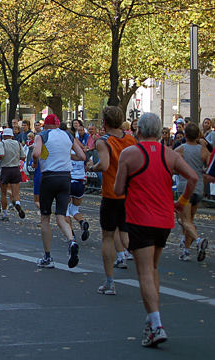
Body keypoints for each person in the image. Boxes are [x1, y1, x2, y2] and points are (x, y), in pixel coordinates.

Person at [114, 112, 197, 347]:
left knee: (145, 273)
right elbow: (192, 177)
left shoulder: (130, 154)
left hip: (140, 219)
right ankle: (153, 318)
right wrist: (181, 203)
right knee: (153, 268)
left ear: (139, 130)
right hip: (164, 221)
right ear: (160, 130)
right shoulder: (170, 155)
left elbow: (119, 189)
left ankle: (156, 325)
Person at [89, 106, 137, 294]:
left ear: (105, 122)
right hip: (130, 193)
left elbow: (105, 164)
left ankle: (110, 282)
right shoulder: (131, 139)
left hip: (111, 193)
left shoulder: (103, 141)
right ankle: (146, 262)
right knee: (125, 234)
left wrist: (93, 167)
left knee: (108, 236)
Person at [32, 114, 86, 269]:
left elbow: (36, 154)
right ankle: (71, 240)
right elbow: (82, 156)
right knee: (61, 215)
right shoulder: (68, 135)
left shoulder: (42, 135)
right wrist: (67, 157)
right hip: (65, 178)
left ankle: (47, 257)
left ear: (46, 125)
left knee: (45, 218)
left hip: (49, 177)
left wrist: (36, 163)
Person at [174, 122, 209, 261]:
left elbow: (170, 164)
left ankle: (199, 240)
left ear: (185, 135)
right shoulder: (203, 150)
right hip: (199, 187)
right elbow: (210, 164)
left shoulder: (180, 149)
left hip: (185, 187)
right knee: (190, 220)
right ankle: (185, 249)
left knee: (183, 220)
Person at [0, 127, 26, 222]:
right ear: (12, 136)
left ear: (4, 136)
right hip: (15, 169)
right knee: (15, 193)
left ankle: (4, 214)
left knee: (4, 193)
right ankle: (17, 203)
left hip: (5, 169)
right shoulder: (17, 143)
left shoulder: (2, 143)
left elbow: (1, 154)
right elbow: (23, 156)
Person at [67, 150, 90, 241]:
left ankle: (71, 234)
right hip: (80, 183)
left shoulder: (66, 150)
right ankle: (82, 222)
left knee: (65, 211)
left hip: (68, 181)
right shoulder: (81, 153)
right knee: (74, 209)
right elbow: (88, 165)